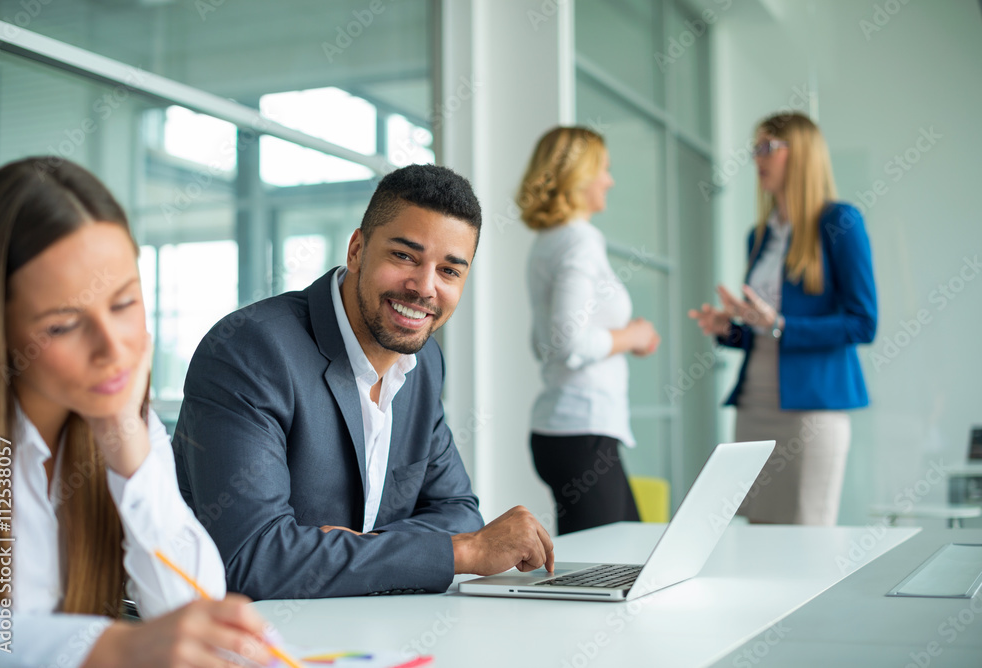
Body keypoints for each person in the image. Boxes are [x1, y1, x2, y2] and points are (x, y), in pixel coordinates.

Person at [173, 163, 554, 600]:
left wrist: (347, 549)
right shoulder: (251, 350)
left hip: (361, 629)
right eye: (404, 256)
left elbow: (459, 512)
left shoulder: (424, 361)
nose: (424, 287)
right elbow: (254, 558)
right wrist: (461, 553)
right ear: (356, 250)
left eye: (449, 270)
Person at [0, 157, 271, 667]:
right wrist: (112, 648)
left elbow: (194, 610)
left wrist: (124, 442)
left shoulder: (118, 424)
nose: (112, 348)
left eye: (123, 304)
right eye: (63, 324)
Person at [688, 112, 877, 525]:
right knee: (757, 528)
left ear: (803, 154)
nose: (756, 157)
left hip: (811, 409)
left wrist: (780, 324)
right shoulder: (758, 237)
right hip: (755, 402)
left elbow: (863, 323)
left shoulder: (841, 222)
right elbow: (764, 330)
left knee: (806, 531)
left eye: (767, 147)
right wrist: (732, 329)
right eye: (755, 148)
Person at [516, 127, 661, 535]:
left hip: (568, 431)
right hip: (582, 429)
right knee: (604, 568)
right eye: (605, 170)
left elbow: (540, 342)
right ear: (579, 176)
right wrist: (631, 337)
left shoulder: (549, 241)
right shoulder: (580, 241)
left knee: (629, 549)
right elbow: (566, 341)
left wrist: (623, 339)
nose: (610, 181)